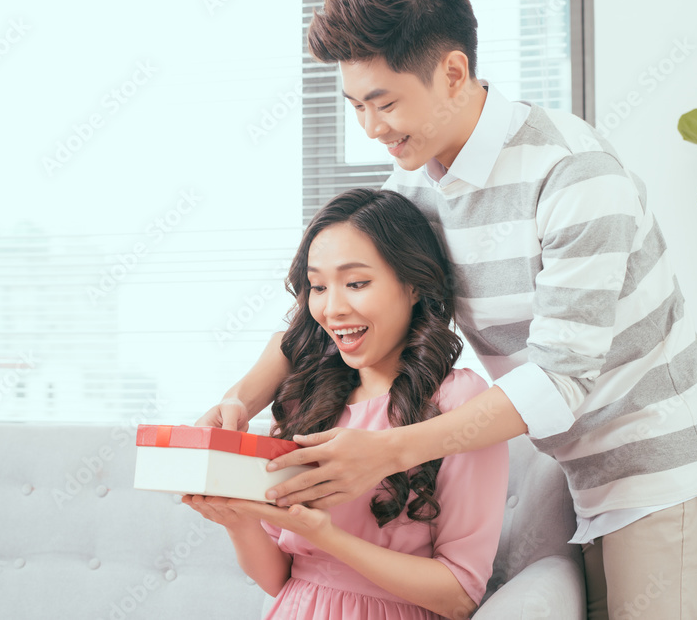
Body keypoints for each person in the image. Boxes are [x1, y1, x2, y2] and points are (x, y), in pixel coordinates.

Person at [197, 0, 697, 619]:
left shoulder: (574, 176)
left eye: (385, 102)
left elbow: (557, 380)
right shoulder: (415, 183)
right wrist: (237, 401)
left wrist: (388, 450)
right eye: (356, 105)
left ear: (453, 73)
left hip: (661, 466)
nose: (371, 127)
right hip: (581, 470)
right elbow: (320, 313)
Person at [185, 188, 509, 620]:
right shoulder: (310, 397)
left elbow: (459, 596)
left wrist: (326, 535)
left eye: (356, 283)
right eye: (318, 286)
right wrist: (236, 519)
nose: (332, 308)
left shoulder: (459, 404)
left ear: (413, 285)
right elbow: (280, 579)